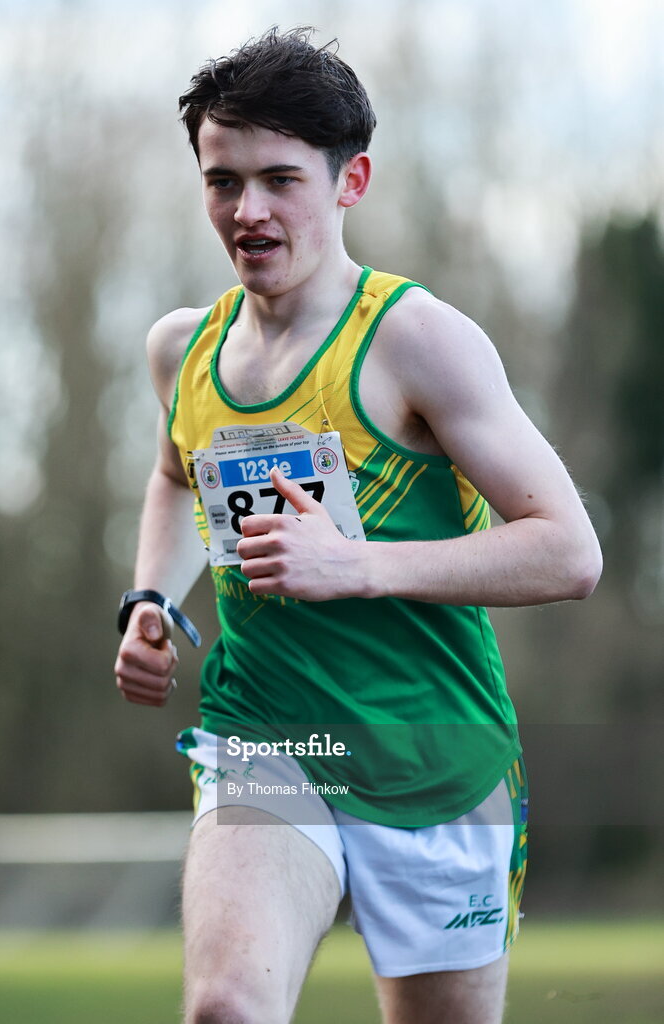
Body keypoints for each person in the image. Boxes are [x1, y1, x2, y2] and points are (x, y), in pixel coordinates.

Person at [114, 26, 602, 1024]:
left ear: (351, 181)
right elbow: (173, 471)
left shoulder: (419, 342)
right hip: (266, 738)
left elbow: (569, 548)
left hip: (433, 756)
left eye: (278, 179)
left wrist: (357, 564)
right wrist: (154, 596)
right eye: (221, 180)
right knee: (224, 1009)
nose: (245, 211)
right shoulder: (182, 350)